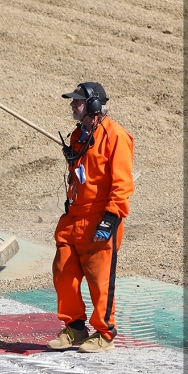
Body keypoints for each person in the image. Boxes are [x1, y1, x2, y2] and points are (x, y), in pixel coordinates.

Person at [48, 83, 134, 354]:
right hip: (74, 215)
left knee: (99, 280)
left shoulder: (116, 135)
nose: (73, 105)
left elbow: (122, 182)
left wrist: (111, 217)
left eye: (78, 101)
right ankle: (74, 327)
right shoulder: (78, 135)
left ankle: (105, 333)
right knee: (63, 272)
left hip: (99, 217)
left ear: (95, 105)